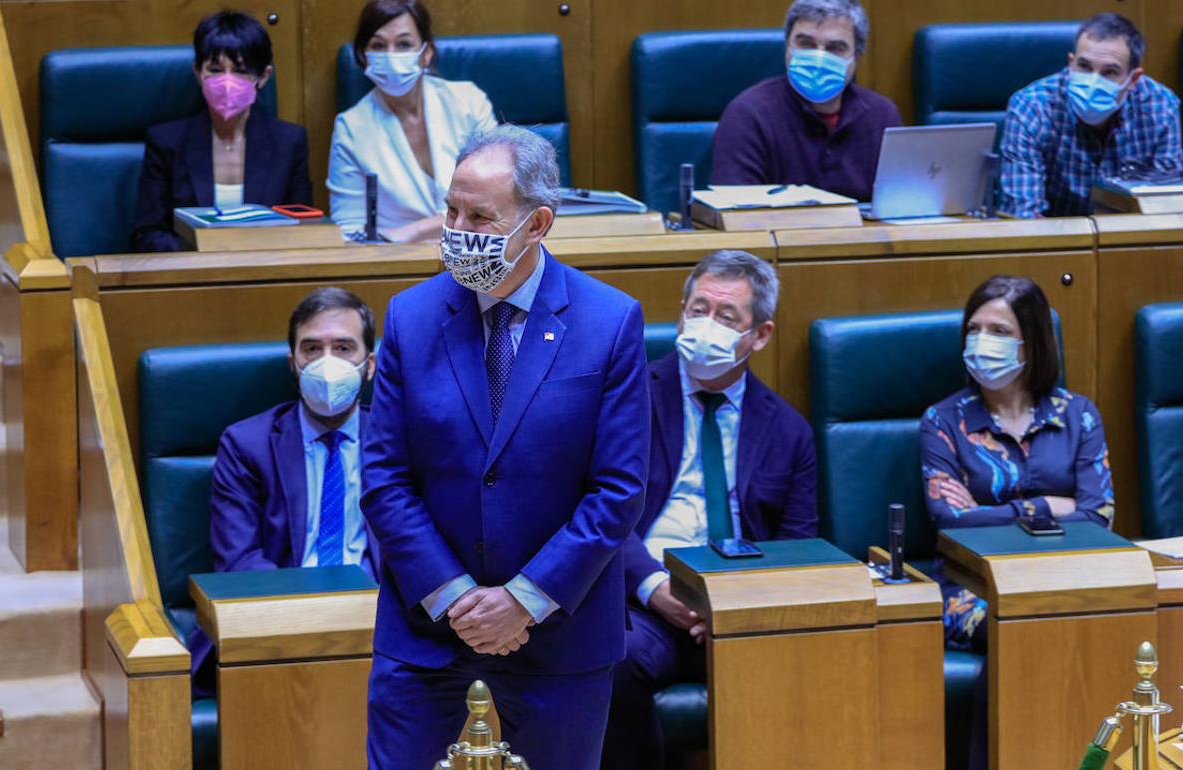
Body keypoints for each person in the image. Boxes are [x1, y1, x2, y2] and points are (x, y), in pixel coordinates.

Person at [360, 124, 649, 769]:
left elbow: (618, 490)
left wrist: (523, 600)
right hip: (426, 631)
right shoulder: (410, 317)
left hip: (559, 642)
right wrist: (455, 597)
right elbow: (384, 479)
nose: (459, 230)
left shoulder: (609, 322)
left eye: (481, 217)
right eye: (452, 211)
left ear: (539, 223)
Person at [601, 250, 817, 770]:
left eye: (726, 318)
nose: (706, 326)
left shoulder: (789, 432)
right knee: (612, 662)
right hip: (646, 600)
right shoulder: (628, 397)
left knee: (814, 662)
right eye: (698, 310)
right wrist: (659, 591)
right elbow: (600, 513)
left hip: (745, 606)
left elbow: (798, 547)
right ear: (680, 312)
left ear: (759, 336)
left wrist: (732, 604)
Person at [188, 287, 379, 693]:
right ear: (293, 363)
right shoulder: (246, 444)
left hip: (379, 623)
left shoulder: (400, 438)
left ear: (370, 365)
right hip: (276, 623)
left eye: (344, 347)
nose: (328, 362)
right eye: (313, 348)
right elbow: (239, 561)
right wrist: (311, 615)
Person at [920, 275, 1115, 654]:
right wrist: (1048, 507)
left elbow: (1098, 518)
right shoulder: (942, 420)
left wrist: (986, 512)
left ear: (1033, 343)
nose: (981, 342)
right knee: (1016, 630)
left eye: (998, 331)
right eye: (973, 330)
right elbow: (950, 522)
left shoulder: (1079, 415)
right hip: (972, 585)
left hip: (1063, 577)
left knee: (1102, 625)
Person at [131, 10, 313, 252]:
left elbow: (302, 230)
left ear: (263, 76)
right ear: (198, 73)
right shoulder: (166, 142)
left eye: (240, 70)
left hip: (265, 273)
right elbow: (147, 234)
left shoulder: (289, 143)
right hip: (191, 276)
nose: (227, 82)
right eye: (215, 70)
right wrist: (207, 254)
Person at [327, 0, 497, 243]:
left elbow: (495, 198)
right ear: (364, 56)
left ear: (426, 54)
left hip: (475, 249)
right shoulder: (351, 127)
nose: (391, 56)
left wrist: (412, 231)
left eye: (404, 44)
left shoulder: (469, 101)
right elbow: (350, 228)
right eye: (378, 45)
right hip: (395, 260)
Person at [710, 0, 900, 201]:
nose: (818, 57)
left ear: (856, 57)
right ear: (787, 48)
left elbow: (903, 206)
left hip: (864, 232)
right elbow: (734, 214)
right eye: (806, 44)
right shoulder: (748, 115)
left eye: (835, 48)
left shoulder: (882, 115)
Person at [1000, 12, 1182, 218]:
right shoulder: (1032, 107)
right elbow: (1024, 215)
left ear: (1133, 79)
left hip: (1131, 240)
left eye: (1109, 72)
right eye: (1084, 67)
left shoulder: (1160, 107)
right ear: (1071, 63)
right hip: (1055, 239)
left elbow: (1168, 209)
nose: (1093, 82)